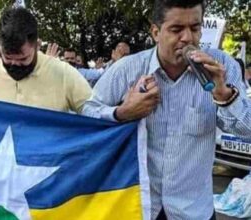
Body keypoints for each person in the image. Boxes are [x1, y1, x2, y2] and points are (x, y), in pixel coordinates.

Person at [82, 0, 251, 219]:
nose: (188, 38)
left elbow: (246, 132)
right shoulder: (128, 69)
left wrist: (225, 96)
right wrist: (123, 112)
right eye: (176, 29)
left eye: (195, 28)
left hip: (193, 211)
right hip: (139, 207)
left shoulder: (221, 67)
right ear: (155, 32)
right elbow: (87, 112)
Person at [0, 7, 91, 113]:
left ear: (36, 45)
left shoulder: (64, 73)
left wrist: (112, 114)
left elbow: (94, 112)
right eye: (8, 58)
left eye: (23, 59)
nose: (15, 64)